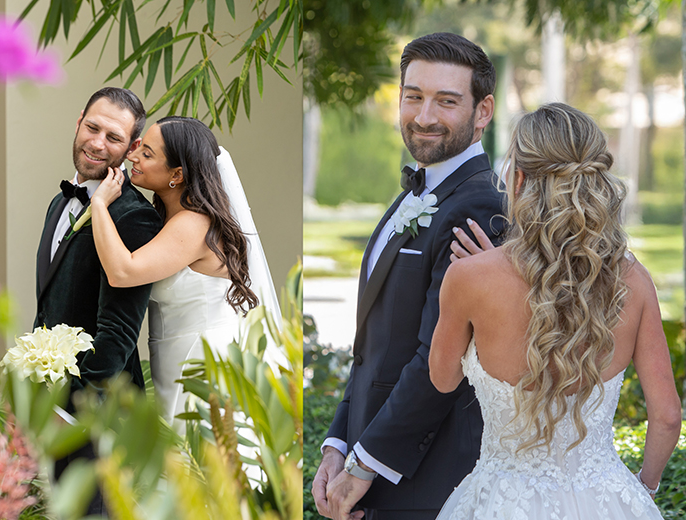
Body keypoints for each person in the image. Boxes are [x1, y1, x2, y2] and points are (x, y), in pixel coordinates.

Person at [427, 103, 680, 519]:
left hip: (500, 503)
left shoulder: (469, 279)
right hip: (608, 502)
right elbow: (668, 417)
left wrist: (481, 275)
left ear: (520, 178)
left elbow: (442, 378)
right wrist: (645, 488)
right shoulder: (634, 280)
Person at [310, 32, 507, 520]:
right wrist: (338, 443)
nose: (423, 117)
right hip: (370, 458)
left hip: (428, 475)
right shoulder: (415, 193)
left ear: (483, 112)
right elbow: (372, 347)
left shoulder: (480, 206)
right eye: (413, 97)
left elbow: (437, 358)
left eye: (446, 101)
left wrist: (366, 463)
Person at [89, 115, 280, 423]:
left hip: (202, 363)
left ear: (176, 173)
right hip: (177, 359)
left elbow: (122, 272)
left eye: (147, 154)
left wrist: (98, 205)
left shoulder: (193, 224)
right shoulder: (169, 217)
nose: (132, 156)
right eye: (138, 146)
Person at [33, 86, 161, 515]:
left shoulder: (134, 217)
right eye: (93, 128)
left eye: (113, 137)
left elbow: (119, 333)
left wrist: (72, 412)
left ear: (131, 148)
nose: (97, 143)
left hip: (100, 414)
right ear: (78, 123)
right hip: (56, 407)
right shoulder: (59, 203)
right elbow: (50, 309)